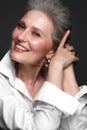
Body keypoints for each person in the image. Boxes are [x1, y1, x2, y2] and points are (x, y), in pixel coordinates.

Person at [0, 0, 87, 129]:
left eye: (35, 34)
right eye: (21, 26)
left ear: (52, 51)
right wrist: (57, 65)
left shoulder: (55, 79)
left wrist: (66, 68)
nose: (21, 37)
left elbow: (78, 128)